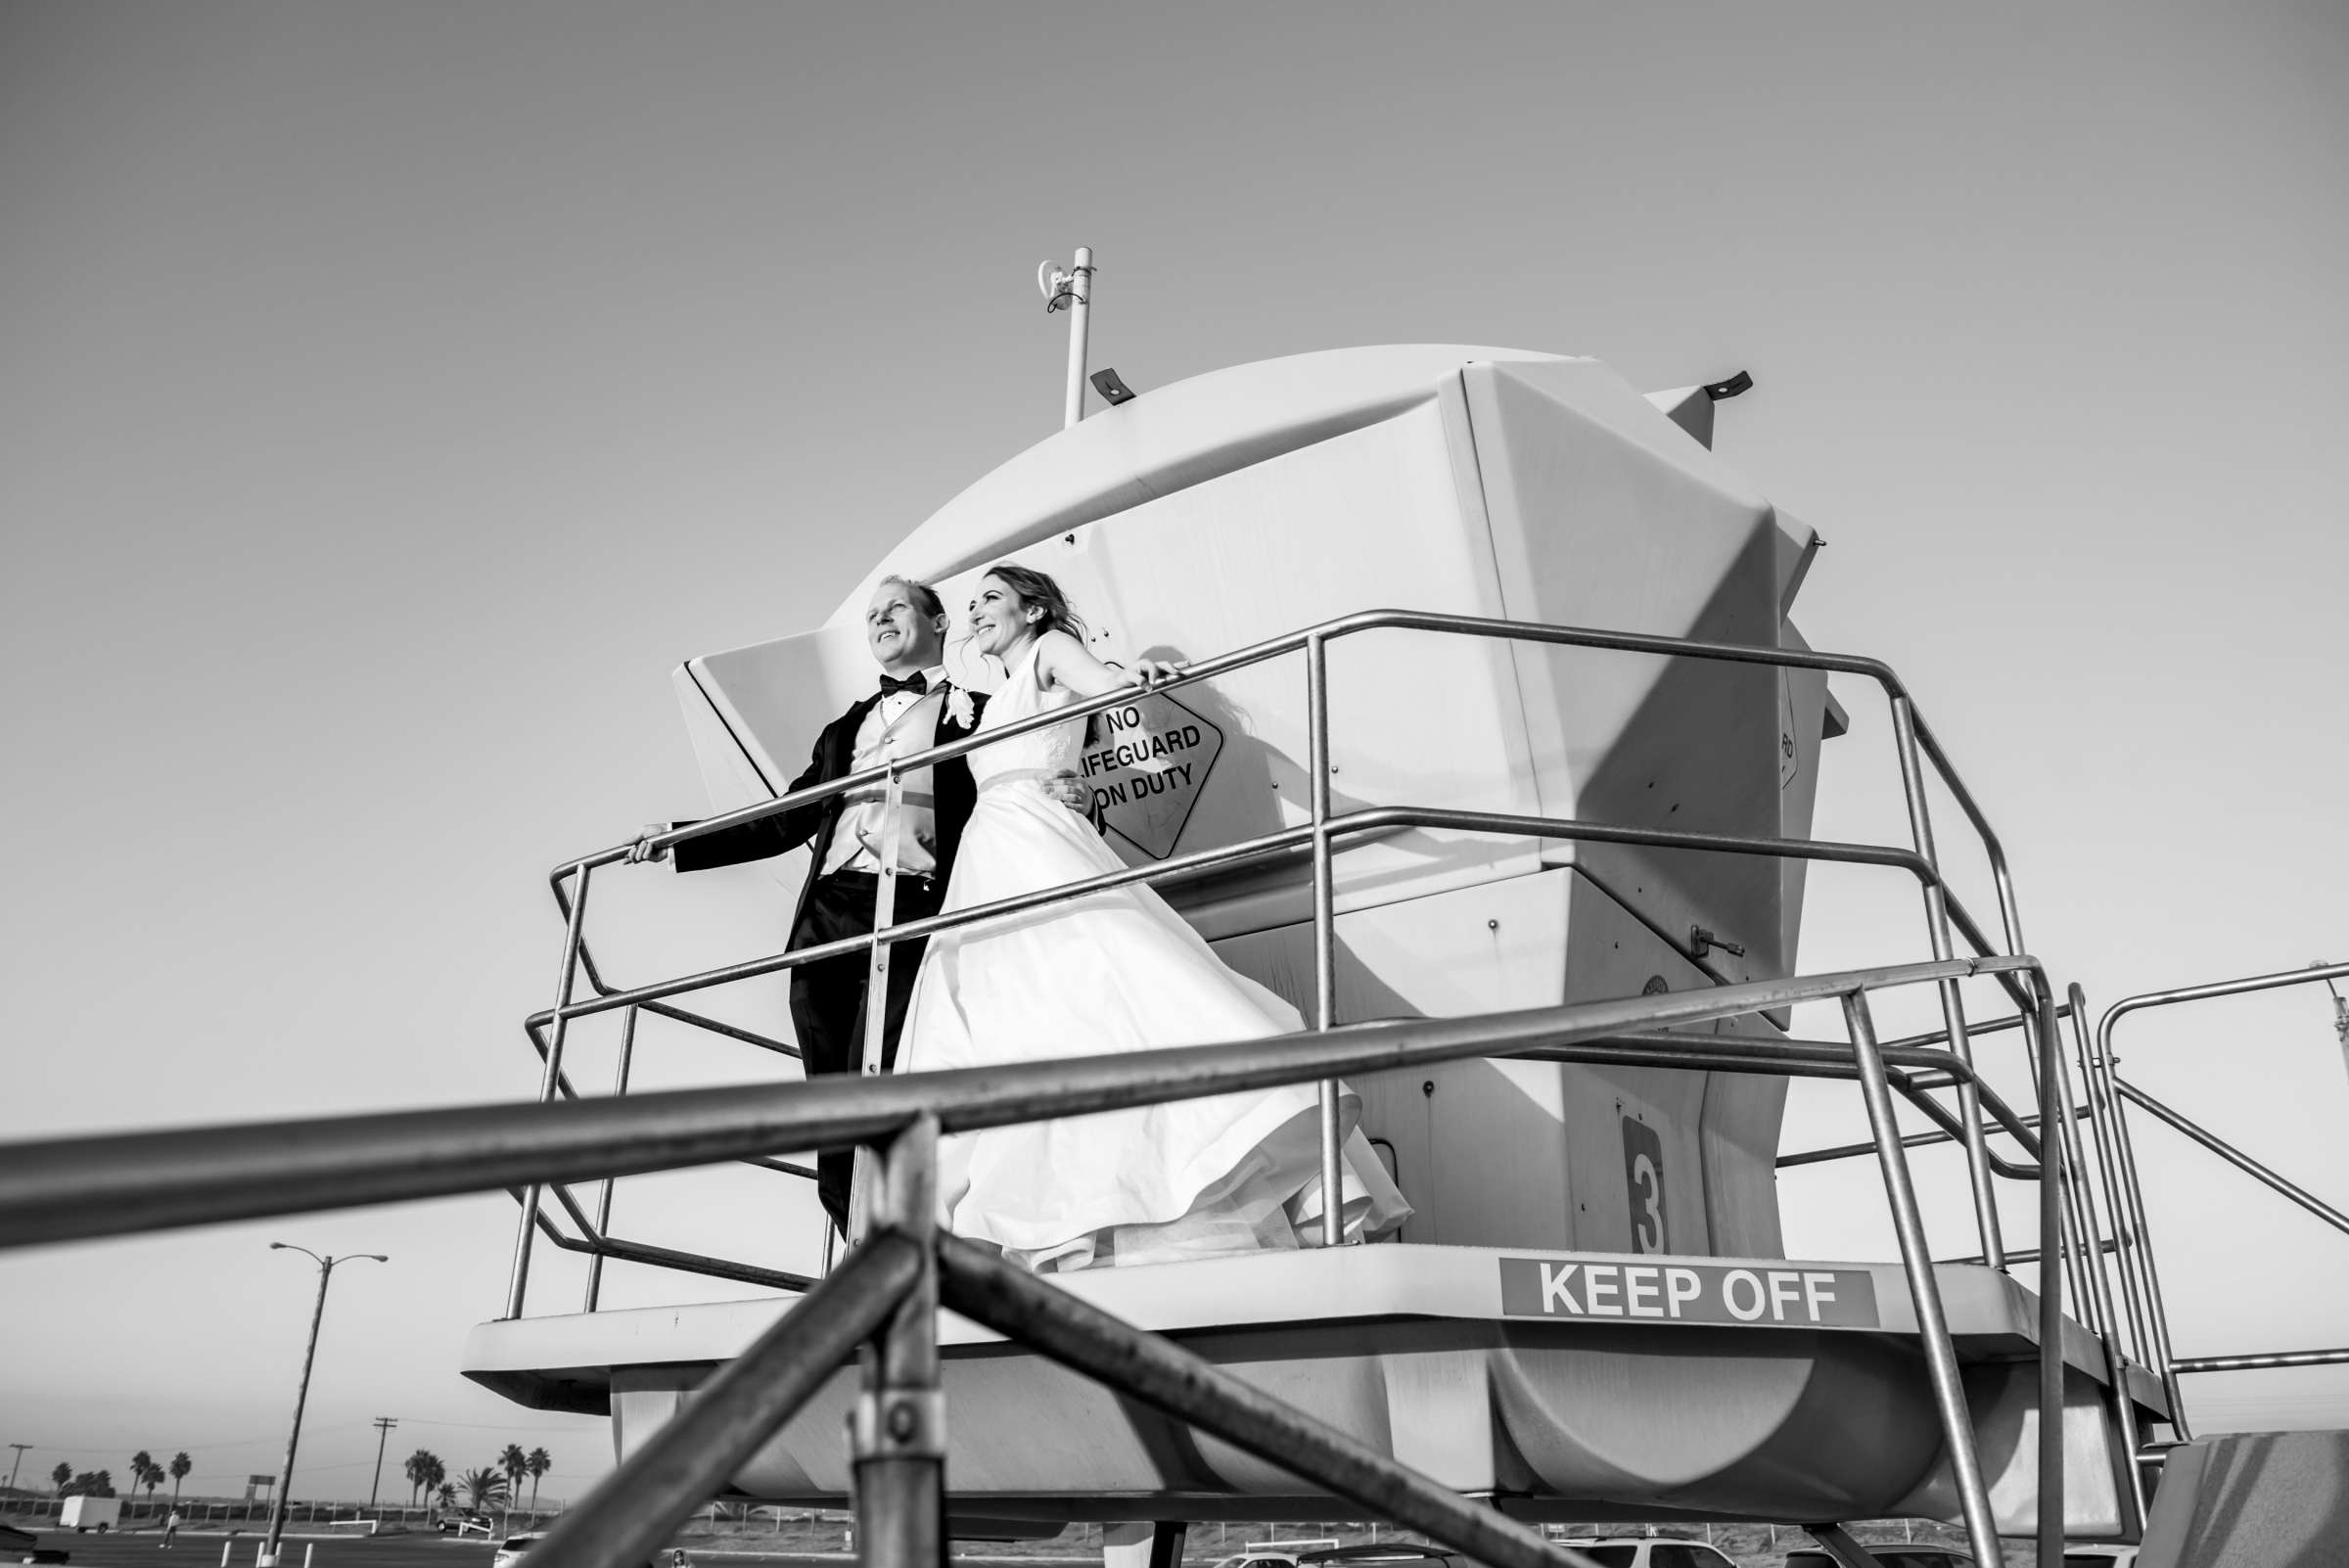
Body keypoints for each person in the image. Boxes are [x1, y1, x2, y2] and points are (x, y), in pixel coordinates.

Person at [898, 563, 1410, 1272]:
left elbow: (1104, 683)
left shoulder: (1049, 653)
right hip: (992, 851)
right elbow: (1072, 747)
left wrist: (1127, 675)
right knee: (1016, 1007)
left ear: (1035, 610)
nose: (977, 611)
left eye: (991, 598)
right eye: (973, 603)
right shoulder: (990, 700)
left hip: (1033, 842)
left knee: (1110, 976)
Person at [627, 574, 1090, 1234]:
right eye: (873, 614)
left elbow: (1056, 752)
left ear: (936, 624)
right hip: (829, 911)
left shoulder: (989, 704)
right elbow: (784, 819)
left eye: (896, 607)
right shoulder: (842, 730)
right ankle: (854, 1234)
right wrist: (682, 841)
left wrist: (1082, 797)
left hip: (917, 908)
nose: (881, 619)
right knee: (831, 1094)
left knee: (895, 1074)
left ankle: (915, 1228)